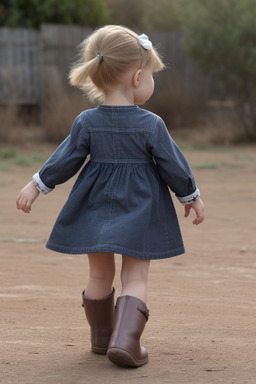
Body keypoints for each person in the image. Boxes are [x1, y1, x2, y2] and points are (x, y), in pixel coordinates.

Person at [16, 25, 205, 368]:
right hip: (141, 206)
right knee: (134, 276)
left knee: (99, 274)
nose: (152, 81)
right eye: (151, 75)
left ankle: (102, 338)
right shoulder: (151, 124)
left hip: (94, 206)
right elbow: (172, 164)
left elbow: (66, 159)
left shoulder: (86, 121)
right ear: (136, 78)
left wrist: (36, 185)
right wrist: (189, 195)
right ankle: (125, 341)